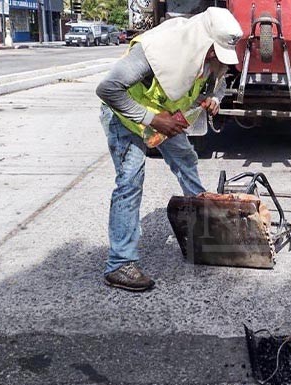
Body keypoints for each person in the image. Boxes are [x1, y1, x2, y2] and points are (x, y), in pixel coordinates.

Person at [96, 7, 242, 291]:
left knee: (186, 159)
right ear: (203, 42)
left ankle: (203, 231)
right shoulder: (157, 50)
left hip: (163, 116)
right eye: (215, 52)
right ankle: (119, 264)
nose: (216, 59)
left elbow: (217, 84)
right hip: (126, 118)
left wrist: (214, 98)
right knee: (130, 181)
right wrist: (153, 120)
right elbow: (108, 89)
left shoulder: (205, 56)